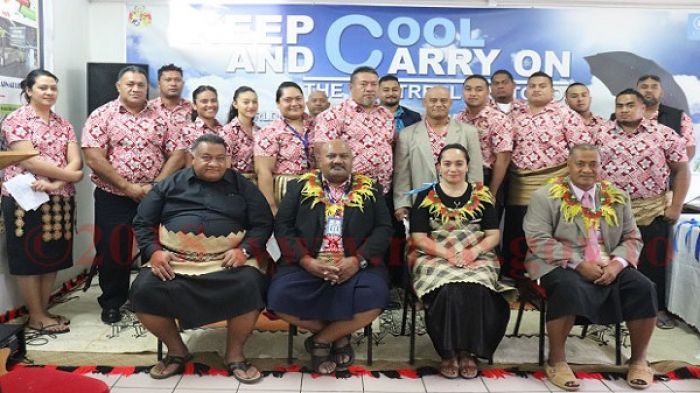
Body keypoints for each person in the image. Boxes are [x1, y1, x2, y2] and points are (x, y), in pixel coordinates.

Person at [130, 134, 272, 383]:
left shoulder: (242, 185)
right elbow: (142, 222)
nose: (214, 164)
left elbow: (263, 223)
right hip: (177, 260)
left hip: (227, 260)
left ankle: (235, 355)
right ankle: (177, 351)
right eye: (206, 158)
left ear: (228, 160)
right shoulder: (169, 184)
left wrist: (245, 250)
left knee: (251, 283)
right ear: (192, 158)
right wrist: (153, 252)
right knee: (142, 289)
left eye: (220, 158)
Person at [523, 144, 657, 391]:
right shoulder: (545, 196)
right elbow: (537, 239)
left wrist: (617, 265)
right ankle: (557, 361)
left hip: (609, 263)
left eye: (593, 164)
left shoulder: (617, 196)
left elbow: (632, 237)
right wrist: (579, 263)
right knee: (568, 287)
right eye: (580, 164)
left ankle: (638, 359)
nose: (587, 170)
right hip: (560, 262)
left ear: (600, 166)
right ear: (569, 165)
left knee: (643, 287)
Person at [268, 140, 392, 374]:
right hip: (306, 264)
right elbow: (283, 228)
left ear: (352, 160)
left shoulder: (371, 188)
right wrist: (307, 261)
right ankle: (338, 337)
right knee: (277, 298)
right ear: (319, 160)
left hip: (356, 265)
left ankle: (321, 339)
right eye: (331, 156)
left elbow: (384, 229)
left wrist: (357, 260)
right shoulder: (299, 187)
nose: (337, 160)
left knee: (377, 297)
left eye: (344, 156)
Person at [82, 65, 185, 324]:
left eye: (140, 84)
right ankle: (113, 302)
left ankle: (155, 302)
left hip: (155, 195)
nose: (136, 88)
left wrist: (156, 186)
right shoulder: (102, 115)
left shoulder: (162, 118)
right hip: (113, 195)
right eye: (130, 84)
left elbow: (178, 153)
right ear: (119, 86)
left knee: (158, 248)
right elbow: (93, 156)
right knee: (112, 249)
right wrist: (127, 186)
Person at [409, 144, 515, 380]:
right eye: (447, 164)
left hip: (476, 252)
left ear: (468, 166)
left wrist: (473, 252)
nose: (453, 169)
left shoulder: (482, 195)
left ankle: (469, 352)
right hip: (435, 253)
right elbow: (418, 237)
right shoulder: (425, 196)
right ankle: (448, 353)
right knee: (449, 289)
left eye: (459, 163)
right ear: (438, 167)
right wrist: (447, 255)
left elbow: (493, 235)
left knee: (477, 287)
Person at [595, 88, 689, 330]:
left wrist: (676, 206)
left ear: (643, 108)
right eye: (620, 105)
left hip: (651, 210)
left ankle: (653, 310)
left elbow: (681, 171)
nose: (624, 109)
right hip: (609, 212)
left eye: (629, 105)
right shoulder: (600, 133)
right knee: (610, 262)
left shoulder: (664, 135)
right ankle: (610, 309)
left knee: (652, 263)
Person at [1, 69, 83, 334]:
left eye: (53, 88)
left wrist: (58, 183)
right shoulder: (16, 120)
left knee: (53, 257)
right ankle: (35, 316)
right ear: (28, 90)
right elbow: (28, 160)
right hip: (26, 197)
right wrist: (71, 176)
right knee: (28, 256)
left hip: (60, 197)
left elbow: (75, 159)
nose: (49, 93)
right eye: (43, 88)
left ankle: (43, 310)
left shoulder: (64, 123)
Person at [502, 71, 590, 279]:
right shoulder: (514, 114)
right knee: (517, 232)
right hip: (519, 184)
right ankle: (516, 283)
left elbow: (582, 150)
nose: (537, 89)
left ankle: (549, 280)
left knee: (549, 234)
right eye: (532, 85)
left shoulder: (565, 114)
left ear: (553, 91)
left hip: (555, 183)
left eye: (542, 85)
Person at [393, 86, 484, 221]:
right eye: (433, 100)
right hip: (421, 203)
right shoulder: (407, 134)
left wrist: (475, 201)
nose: (438, 104)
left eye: (443, 100)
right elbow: (402, 174)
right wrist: (402, 204)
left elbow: (475, 171)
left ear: (451, 103)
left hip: (460, 204)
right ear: (424, 103)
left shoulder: (468, 132)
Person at [314, 66, 394, 195]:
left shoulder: (387, 115)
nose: (369, 89)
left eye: (374, 84)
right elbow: (321, 155)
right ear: (351, 87)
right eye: (363, 84)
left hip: (383, 190)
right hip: (348, 192)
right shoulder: (334, 115)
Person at [457, 75, 513, 219]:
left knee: (487, 228)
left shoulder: (498, 119)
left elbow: (504, 158)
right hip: (460, 178)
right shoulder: (458, 118)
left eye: (478, 89)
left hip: (489, 178)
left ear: (488, 93)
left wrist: (492, 192)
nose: (473, 93)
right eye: (468, 89)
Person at [254, 81, 315, 214]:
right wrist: (270, 206)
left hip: (316, 192)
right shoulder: (269, 132)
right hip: (285, 193)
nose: (294, 103)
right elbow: (264, 171)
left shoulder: (318, 125)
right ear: (278, 103)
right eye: (288, 100)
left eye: (298, 99)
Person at [636, 75, 695, 159]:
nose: (649, 90)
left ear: (661, 93)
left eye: (654, 87)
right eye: (644, 87)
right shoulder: (620, 117)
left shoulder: (679, 117)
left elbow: (689, 148)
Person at [179, 85, 223, 166]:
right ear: (195, 106)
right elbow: (189, 167)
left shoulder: (224, 130)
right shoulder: (188, 131)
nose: (210, 105)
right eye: (204, 101)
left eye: (213, 101)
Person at [223, 86, 260, 179]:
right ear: (235, 104)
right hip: (236, 184)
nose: (251, 106)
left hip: (258, 185)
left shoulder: (260, 131)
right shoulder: (228, 131)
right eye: (246, 102)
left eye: (254, 102)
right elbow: (224, 168)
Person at [149, 64, 193, 135]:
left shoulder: (193, 109)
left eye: (177, 80)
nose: (173, 84)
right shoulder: (148, 108)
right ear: (159, 83)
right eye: (168, 80)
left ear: (183, 83)